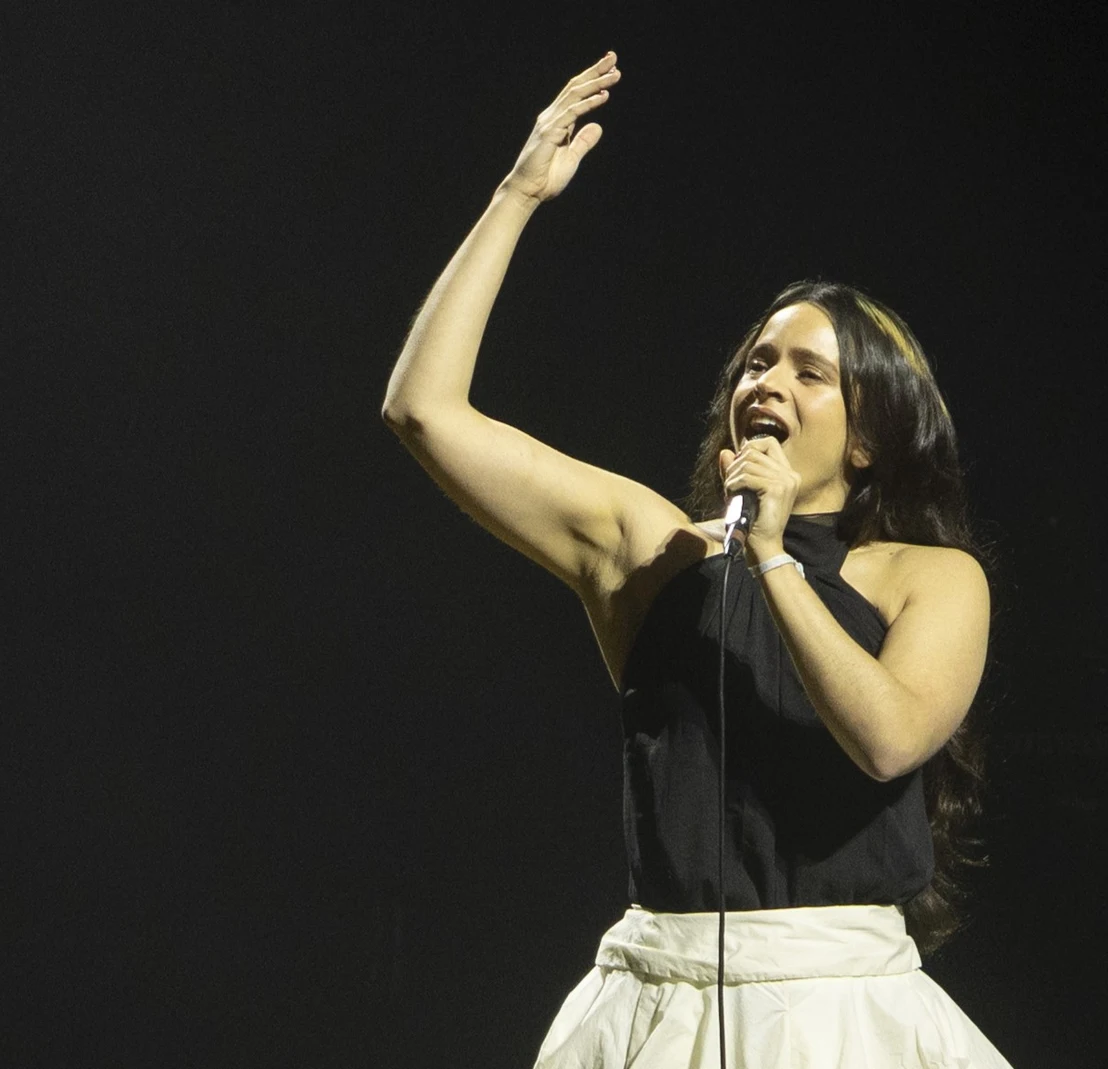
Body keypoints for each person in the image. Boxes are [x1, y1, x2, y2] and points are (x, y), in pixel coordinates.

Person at [382, 53, 1011, 1069]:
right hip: (656, 1001)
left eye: (811, 372)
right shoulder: (652, 550)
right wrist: (516, 196)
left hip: (839, 1011)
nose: (768, 380)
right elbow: (423, 411)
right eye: (758, 361)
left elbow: (891, 739)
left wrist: (770, 562)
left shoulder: (926, 576)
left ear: (864, 440)